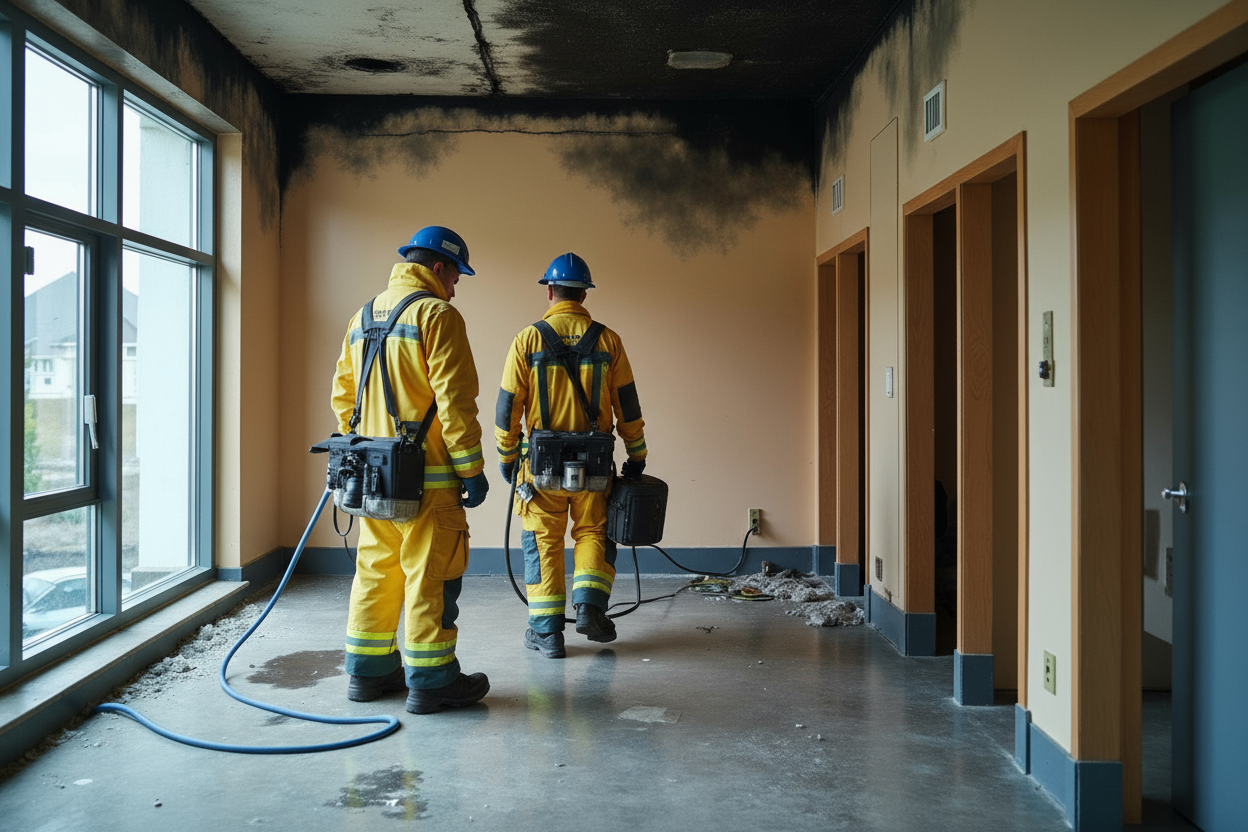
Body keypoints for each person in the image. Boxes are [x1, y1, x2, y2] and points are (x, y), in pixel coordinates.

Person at [330, 225, 490, 714]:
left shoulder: (362, 317)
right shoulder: (437, 314)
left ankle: (369, 672)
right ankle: (433, 680)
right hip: (430, 482)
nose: (456, 286)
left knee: (376, 571)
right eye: (456, 275)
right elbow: (455, 402)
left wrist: (362, 453)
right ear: (438, 268)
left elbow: (343, 398)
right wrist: (471, 468)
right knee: (432, 577)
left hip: (374, 477)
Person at [495, 252, 648, 659]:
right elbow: (627, 406)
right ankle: (591, 609)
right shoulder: (608, 340)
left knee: (543, 539)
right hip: (594, 464)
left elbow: (507, 407)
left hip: (541, 466)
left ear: (550, 291)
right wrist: (637, 454)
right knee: (594, 533)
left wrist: (508, 457)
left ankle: (547, 633)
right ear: (583, 294)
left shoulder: (527, 339)